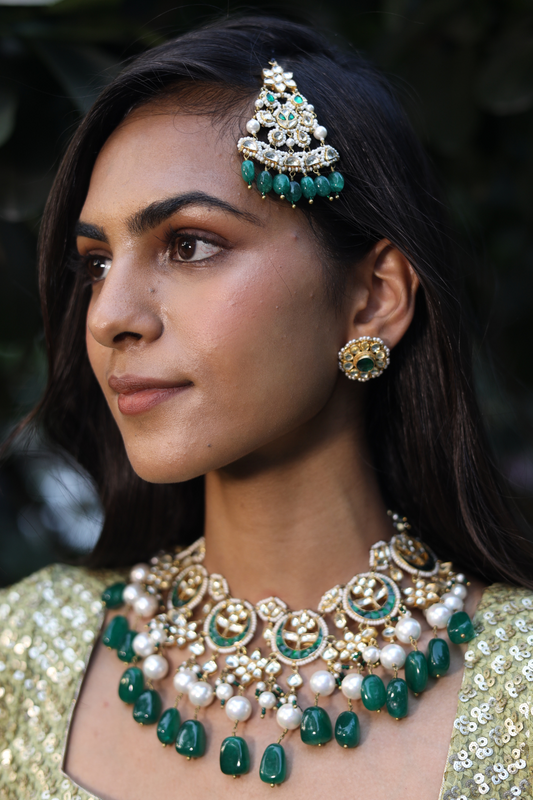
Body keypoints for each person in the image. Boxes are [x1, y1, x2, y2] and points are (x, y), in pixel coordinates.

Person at [1, 14, 532, 800]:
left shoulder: (519, 680)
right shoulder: (21, 654)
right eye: (96, 262)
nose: (111, 315)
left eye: (188, 244)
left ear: (372, 298)